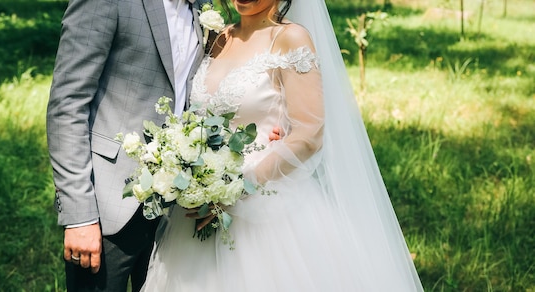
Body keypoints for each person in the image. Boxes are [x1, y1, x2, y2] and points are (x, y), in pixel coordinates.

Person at [141, 0, 425, 291]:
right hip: (196, 208)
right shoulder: (217, 36)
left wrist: (235, 190)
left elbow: (309, 133)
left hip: (264, 206)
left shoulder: (290, 38)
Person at [45, 0, 212, 290]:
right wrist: (79, 216)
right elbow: (67, 104)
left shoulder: (202, 9)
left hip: (175, 212)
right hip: (107, 203)